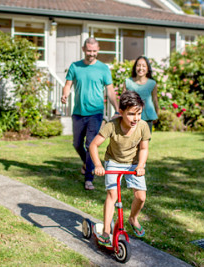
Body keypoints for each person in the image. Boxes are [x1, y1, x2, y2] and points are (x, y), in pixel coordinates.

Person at [89, 90, 151, 246]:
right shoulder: (111, 126)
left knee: (141, 197)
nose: (136, 118)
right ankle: (106, 231)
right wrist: (98, 165)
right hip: (114, 161)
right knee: (112, 195)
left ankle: (133, 218)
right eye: (131, 114)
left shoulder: (142, 126)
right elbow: (93, 145)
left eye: (139, 114)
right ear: (121, 111)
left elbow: (144, 149)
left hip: (134, 163)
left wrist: (141, 166)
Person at [61, 37, 119, 191]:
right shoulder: (75, 66)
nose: (91, 54)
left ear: (98, 50)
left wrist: (117, 108)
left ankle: (88, 179)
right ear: (83, 49)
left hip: (96, 113)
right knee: (76, 144)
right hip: (78, 112)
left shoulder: (103, 68)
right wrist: (65, 94)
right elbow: (67, 85)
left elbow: (111, 91)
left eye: (94, 51)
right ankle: (87, 163)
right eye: (89, 51)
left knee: (90, 144)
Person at [123, 56, 159, 133]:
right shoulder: (128, 82)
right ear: (135, 67)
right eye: (138, 65)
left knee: (145, 142)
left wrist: (157, 114)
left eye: (143, 66)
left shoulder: (152, 83)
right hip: (131, 117)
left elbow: (155, 100)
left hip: (148, 117)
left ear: (147, 69)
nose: (140, 68)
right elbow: (122, 100)